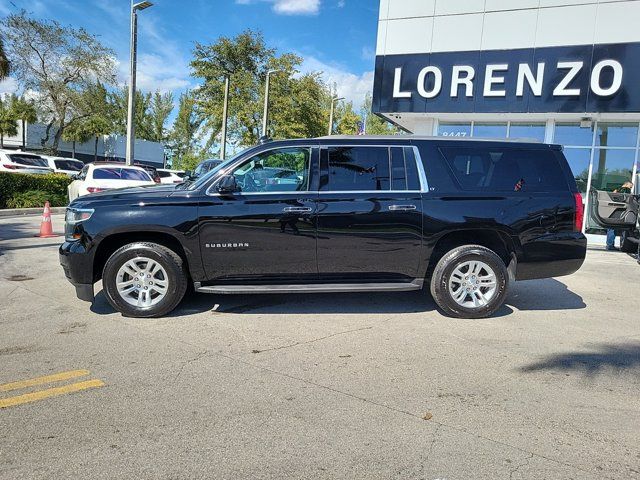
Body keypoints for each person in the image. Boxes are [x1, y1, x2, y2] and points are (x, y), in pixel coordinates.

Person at [606, 181, 633, 251]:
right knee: (619, 229)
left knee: (611, 229)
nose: (630, 188)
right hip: (620, 212)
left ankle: (609, 245)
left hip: (612, 211)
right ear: (626, 184)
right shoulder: (626, 190)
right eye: (630, 186)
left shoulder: (616, 189)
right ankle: (619, 245)